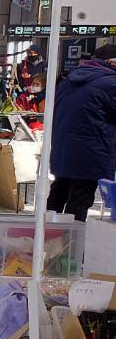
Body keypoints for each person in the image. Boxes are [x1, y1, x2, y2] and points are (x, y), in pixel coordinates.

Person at [48, 44, 116, 221]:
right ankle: (71, 239)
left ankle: (43, 234)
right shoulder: (110, 83)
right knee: (79, 201)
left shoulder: (67, 81)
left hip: (63, 150)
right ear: (111, 62)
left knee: (58, 194)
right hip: (91, 153)